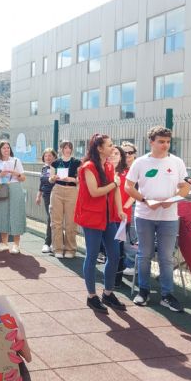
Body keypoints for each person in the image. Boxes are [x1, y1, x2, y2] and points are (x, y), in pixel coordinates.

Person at [125, 126, 190, 311]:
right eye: (161, 141)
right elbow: (128, 187)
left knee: (166, 258)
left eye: (168, 142)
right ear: (151, 142)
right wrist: (145, 200)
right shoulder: (140, 163)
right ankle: (143, 291)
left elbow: (184, 188)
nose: (165, 145)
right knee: (144, 255)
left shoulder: (177, 162)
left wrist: (172, 200)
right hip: (144, 216)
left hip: (169, 218)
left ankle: (166, 295)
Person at [74, 134, 127, 313]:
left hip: (108, 217)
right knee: (92, 255)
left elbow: (116, 191)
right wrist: (114, 183)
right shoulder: (88, 167)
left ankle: (108, 292)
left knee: (114, 254)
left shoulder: (109, 166)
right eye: (110, 145)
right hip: (92, 218)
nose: (113, 148)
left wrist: (120, 210)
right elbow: (95, 192)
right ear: (99, 148)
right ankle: (91, 296)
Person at [0, 141, 26, 254]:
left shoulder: (16, 161)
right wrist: (0, 175)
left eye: (8, 148)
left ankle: (16, 245)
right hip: (1, 188)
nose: (6, 150)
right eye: (4, 148)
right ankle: (4, 243)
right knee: (2, 214)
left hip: (15, 187)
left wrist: (15, 173)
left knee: (16, 214)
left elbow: (23, 178)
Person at [49, 140, 81, 258]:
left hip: (72, 191)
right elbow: (50, 179)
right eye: (65, 147)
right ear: (61, 149)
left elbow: (80, 180)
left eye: (69, 147)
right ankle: (57, 248)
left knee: (70, 222)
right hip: (57, 190)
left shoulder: (77, 162)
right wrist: (53, 177)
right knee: (56, 222)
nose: (67, 150)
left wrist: (71, 179)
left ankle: (70, 249)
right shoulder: (55, 163)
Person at [108, 145, 134, 286]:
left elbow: (136, 192)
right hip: (106, 216)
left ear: (121, 156)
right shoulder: (104, 171)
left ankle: (116, 279)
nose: (114, 155)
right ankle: (109, 276)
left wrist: (124, 207)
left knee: (119, 248)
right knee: (108, 248)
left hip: (122, 218)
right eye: (111, 153)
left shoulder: (128, 172)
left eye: (117, 153)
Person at [120, 141, 139, 275]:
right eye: (124, 152)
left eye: (130, 152)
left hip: (132, 206)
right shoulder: (119, 169)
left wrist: (125, 207)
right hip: (120, 208)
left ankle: (132, 265)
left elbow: (138, 190)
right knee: (121, 238)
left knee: (130, 239)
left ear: (135, 154)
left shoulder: (138, 169)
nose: (127, 155)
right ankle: (125, 264)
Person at [36, 148, 57, 253]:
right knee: (51, 218)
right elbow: (42, 183)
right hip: (46, 195)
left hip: (56, 194)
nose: (48, 158)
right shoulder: (44, 168)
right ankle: (50, 243)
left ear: (54, 157)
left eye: (50, 156)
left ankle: (51, 243)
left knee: (53, 218)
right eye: (46, 156)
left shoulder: (56, 167)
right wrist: (38, 195)